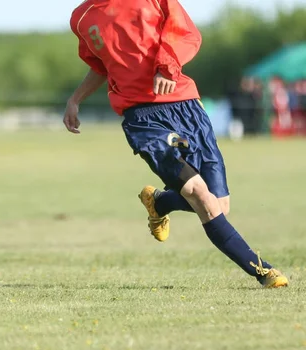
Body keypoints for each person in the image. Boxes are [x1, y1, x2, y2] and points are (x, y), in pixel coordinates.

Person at [64, 0, 288, 288]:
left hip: (187, 107)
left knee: (219, 205)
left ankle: (159, 201)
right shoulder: (81, 18)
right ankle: (263, 272)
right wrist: (75, 99)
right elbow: (101, 66)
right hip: (143, 118)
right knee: (200, 195)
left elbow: (184, 31)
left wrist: (167, 66)